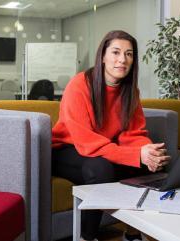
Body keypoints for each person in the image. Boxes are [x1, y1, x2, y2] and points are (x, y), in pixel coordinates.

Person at [51, 30, 170, 241]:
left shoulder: (130, 91)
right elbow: (86, 142)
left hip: (100, 147)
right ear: (103, 56)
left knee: (153, 164)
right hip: (66, 149)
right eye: (115, 52)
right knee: (100, 169)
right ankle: (87, 237)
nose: (122, 59)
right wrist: (134, 155)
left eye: (129, 54)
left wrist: (147, 152)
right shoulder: (79, 85)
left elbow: (134, 133)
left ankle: (133, 233)